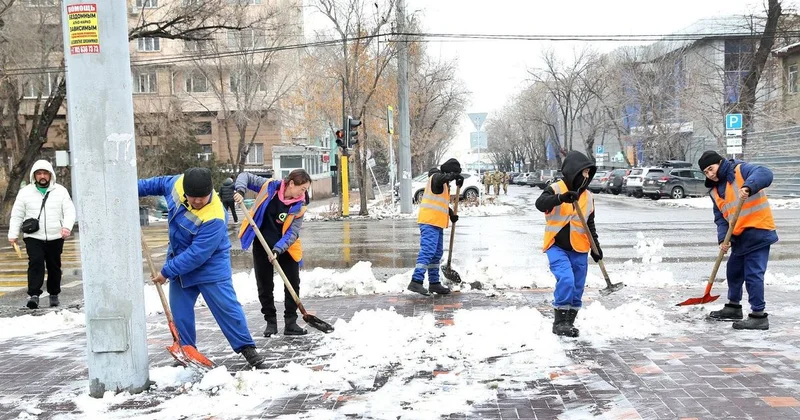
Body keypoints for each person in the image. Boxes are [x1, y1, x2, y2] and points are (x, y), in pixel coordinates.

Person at [138, 167, 265, 368]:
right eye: (193, 197)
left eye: (202, 198)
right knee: (180, 313)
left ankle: (247, 348)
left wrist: (166, 271)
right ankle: (187, 352)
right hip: (180, 261)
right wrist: (129, 191)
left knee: (227, 308)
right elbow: (155, 184)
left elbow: (197, 254)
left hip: (210, 266)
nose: (197, 201)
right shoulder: (176, 184)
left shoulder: (215, 215)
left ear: (210, 191)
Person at [698, 150, 778, 330]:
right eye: (706, 172)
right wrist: (723, 239)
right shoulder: (714, 191)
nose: (710, 174)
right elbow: (721, 218)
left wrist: (748, 186)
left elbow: (765, 173)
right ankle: (734, 307)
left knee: (753, 274)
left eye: (711, 168)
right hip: (739, 236)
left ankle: (759, 315)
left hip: (758, 230)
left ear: (720, 162)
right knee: (733, 271)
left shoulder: (741, 170)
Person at [234, 169, 311, 337]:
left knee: (292, 284)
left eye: (305, 190)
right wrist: (240, 190)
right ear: (291, 184)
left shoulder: (299, 206)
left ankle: (291, 322)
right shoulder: (269, 187)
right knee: (264, 284)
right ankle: (271, 322)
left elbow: (293, 233)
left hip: (286, 247)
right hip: (261, 243)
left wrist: (277, 249)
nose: (304, 193)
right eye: (303, 189)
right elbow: (245, 176)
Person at [535, 151, 601, 338]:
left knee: (578, 286)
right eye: (584, 172)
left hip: (580, 248)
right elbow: (540, 204)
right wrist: (561, 198)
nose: (586, 177)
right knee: (566, 279)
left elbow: (590, 224)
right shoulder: (555, 188)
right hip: (556, 245)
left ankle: (569, 322)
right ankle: (559, 322)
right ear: (574, 171)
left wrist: (596, 248)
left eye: (589, 173)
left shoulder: (588, 196)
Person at [8, 160, 76, 309]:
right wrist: (13, 234)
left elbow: (70, 211)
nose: (42, 176)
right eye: (39, 173)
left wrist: (66, 227)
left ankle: (54, 294)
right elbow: (17, 214)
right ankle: (33, 295)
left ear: (50, 175)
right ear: (34, 176)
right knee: (36, 263)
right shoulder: (25, 192)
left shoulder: (60, 191)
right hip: (33, 236)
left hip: (55, 236)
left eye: (45, 173)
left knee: (54, 266)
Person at [408, 159, 463, 296]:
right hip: (429, 222)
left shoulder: (443, 184)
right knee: (428, 251)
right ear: (449, 172)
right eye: (452, 174)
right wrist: (454, 176)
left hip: (437, 223)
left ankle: (434, 283)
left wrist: (450, 213)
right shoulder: (436, 177)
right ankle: (416, 281)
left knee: (436, 254)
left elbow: (440, 203)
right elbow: (443, 178)